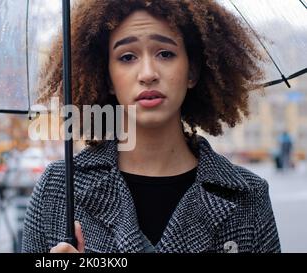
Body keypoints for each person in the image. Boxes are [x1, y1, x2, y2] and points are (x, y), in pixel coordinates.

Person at [22, 0, 280, 253]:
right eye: (127, 57)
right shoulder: (58, 189)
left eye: (165, 54)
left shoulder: (248, 195)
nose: (147, 73)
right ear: (108, 78)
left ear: (192, 71)